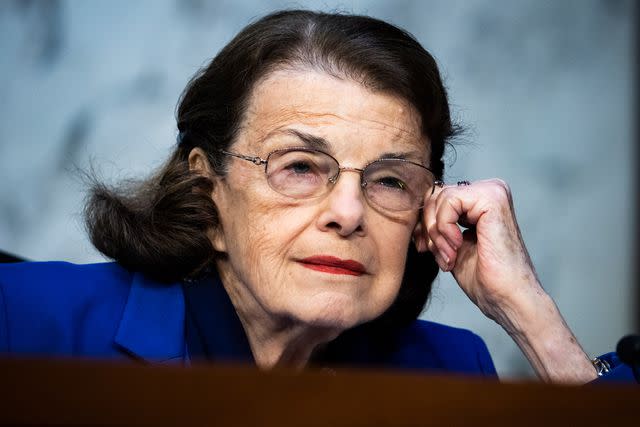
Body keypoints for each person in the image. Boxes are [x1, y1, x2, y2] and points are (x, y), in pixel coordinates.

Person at [0, 10, 634, 383]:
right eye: (301, 166)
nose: (349, 213)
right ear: (208, 189)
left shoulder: (449, 368)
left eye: (390, 180)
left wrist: (533, 318)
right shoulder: (26, 324)